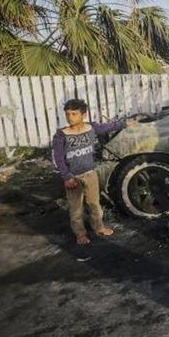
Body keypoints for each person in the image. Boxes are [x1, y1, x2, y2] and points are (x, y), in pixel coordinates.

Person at [52, 99, 136, 245]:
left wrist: (126, 124)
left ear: (84, 115)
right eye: (67, 114)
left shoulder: (91, 128)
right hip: (73, 177)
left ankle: (99, 227)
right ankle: (80, 234)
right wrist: (66, 176)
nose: (70, 117)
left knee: (94, 204)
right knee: (76, 208)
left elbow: (108, 126)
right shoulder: (61, 135)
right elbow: (58, 158)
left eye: (74, 114)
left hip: (90, 174)